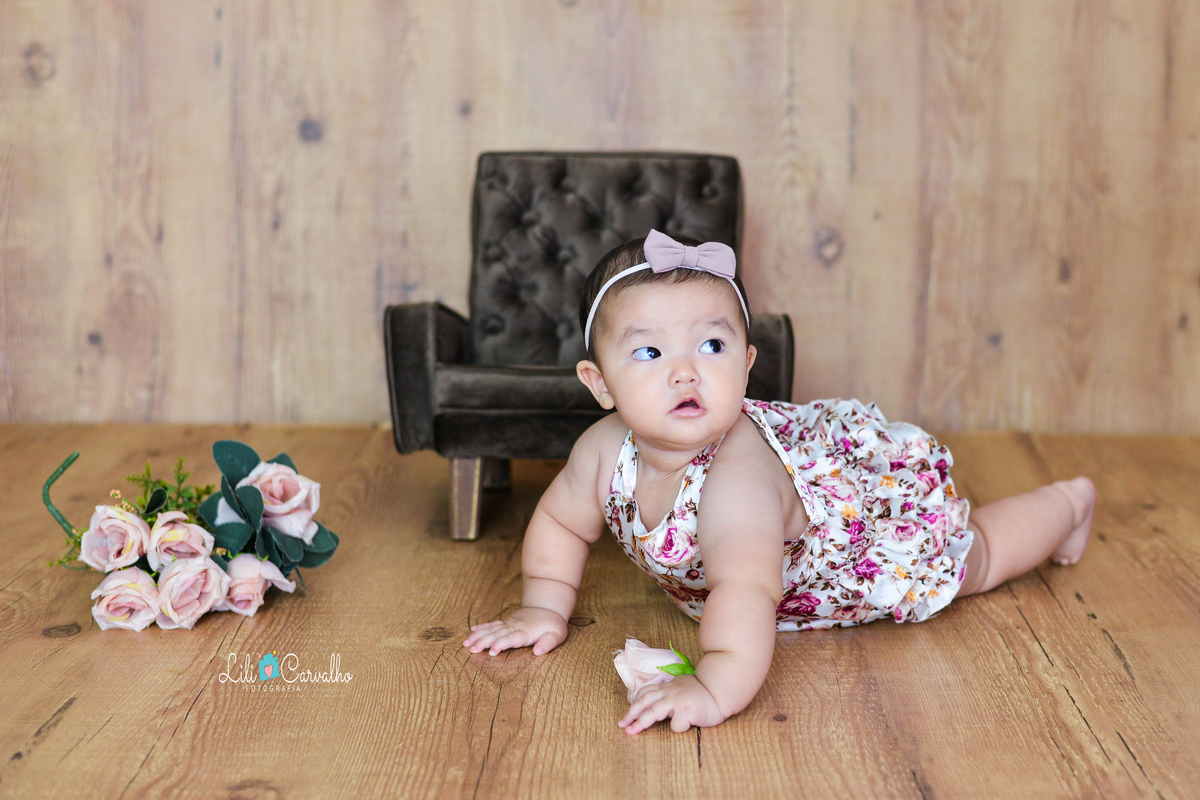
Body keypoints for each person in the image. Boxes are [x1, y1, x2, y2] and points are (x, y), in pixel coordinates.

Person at [462, 229, 1095, 736]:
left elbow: (744, 587)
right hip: (754, 578)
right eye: (650, 353)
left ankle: (1067, 503)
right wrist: (542, 607)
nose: (685, 373)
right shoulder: (602, 451)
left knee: (975, 557)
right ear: (599, 383)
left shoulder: (736, 478)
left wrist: (715, 685)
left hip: (855, 549)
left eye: (712, 346)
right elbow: (561, 522)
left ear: (747, 365)